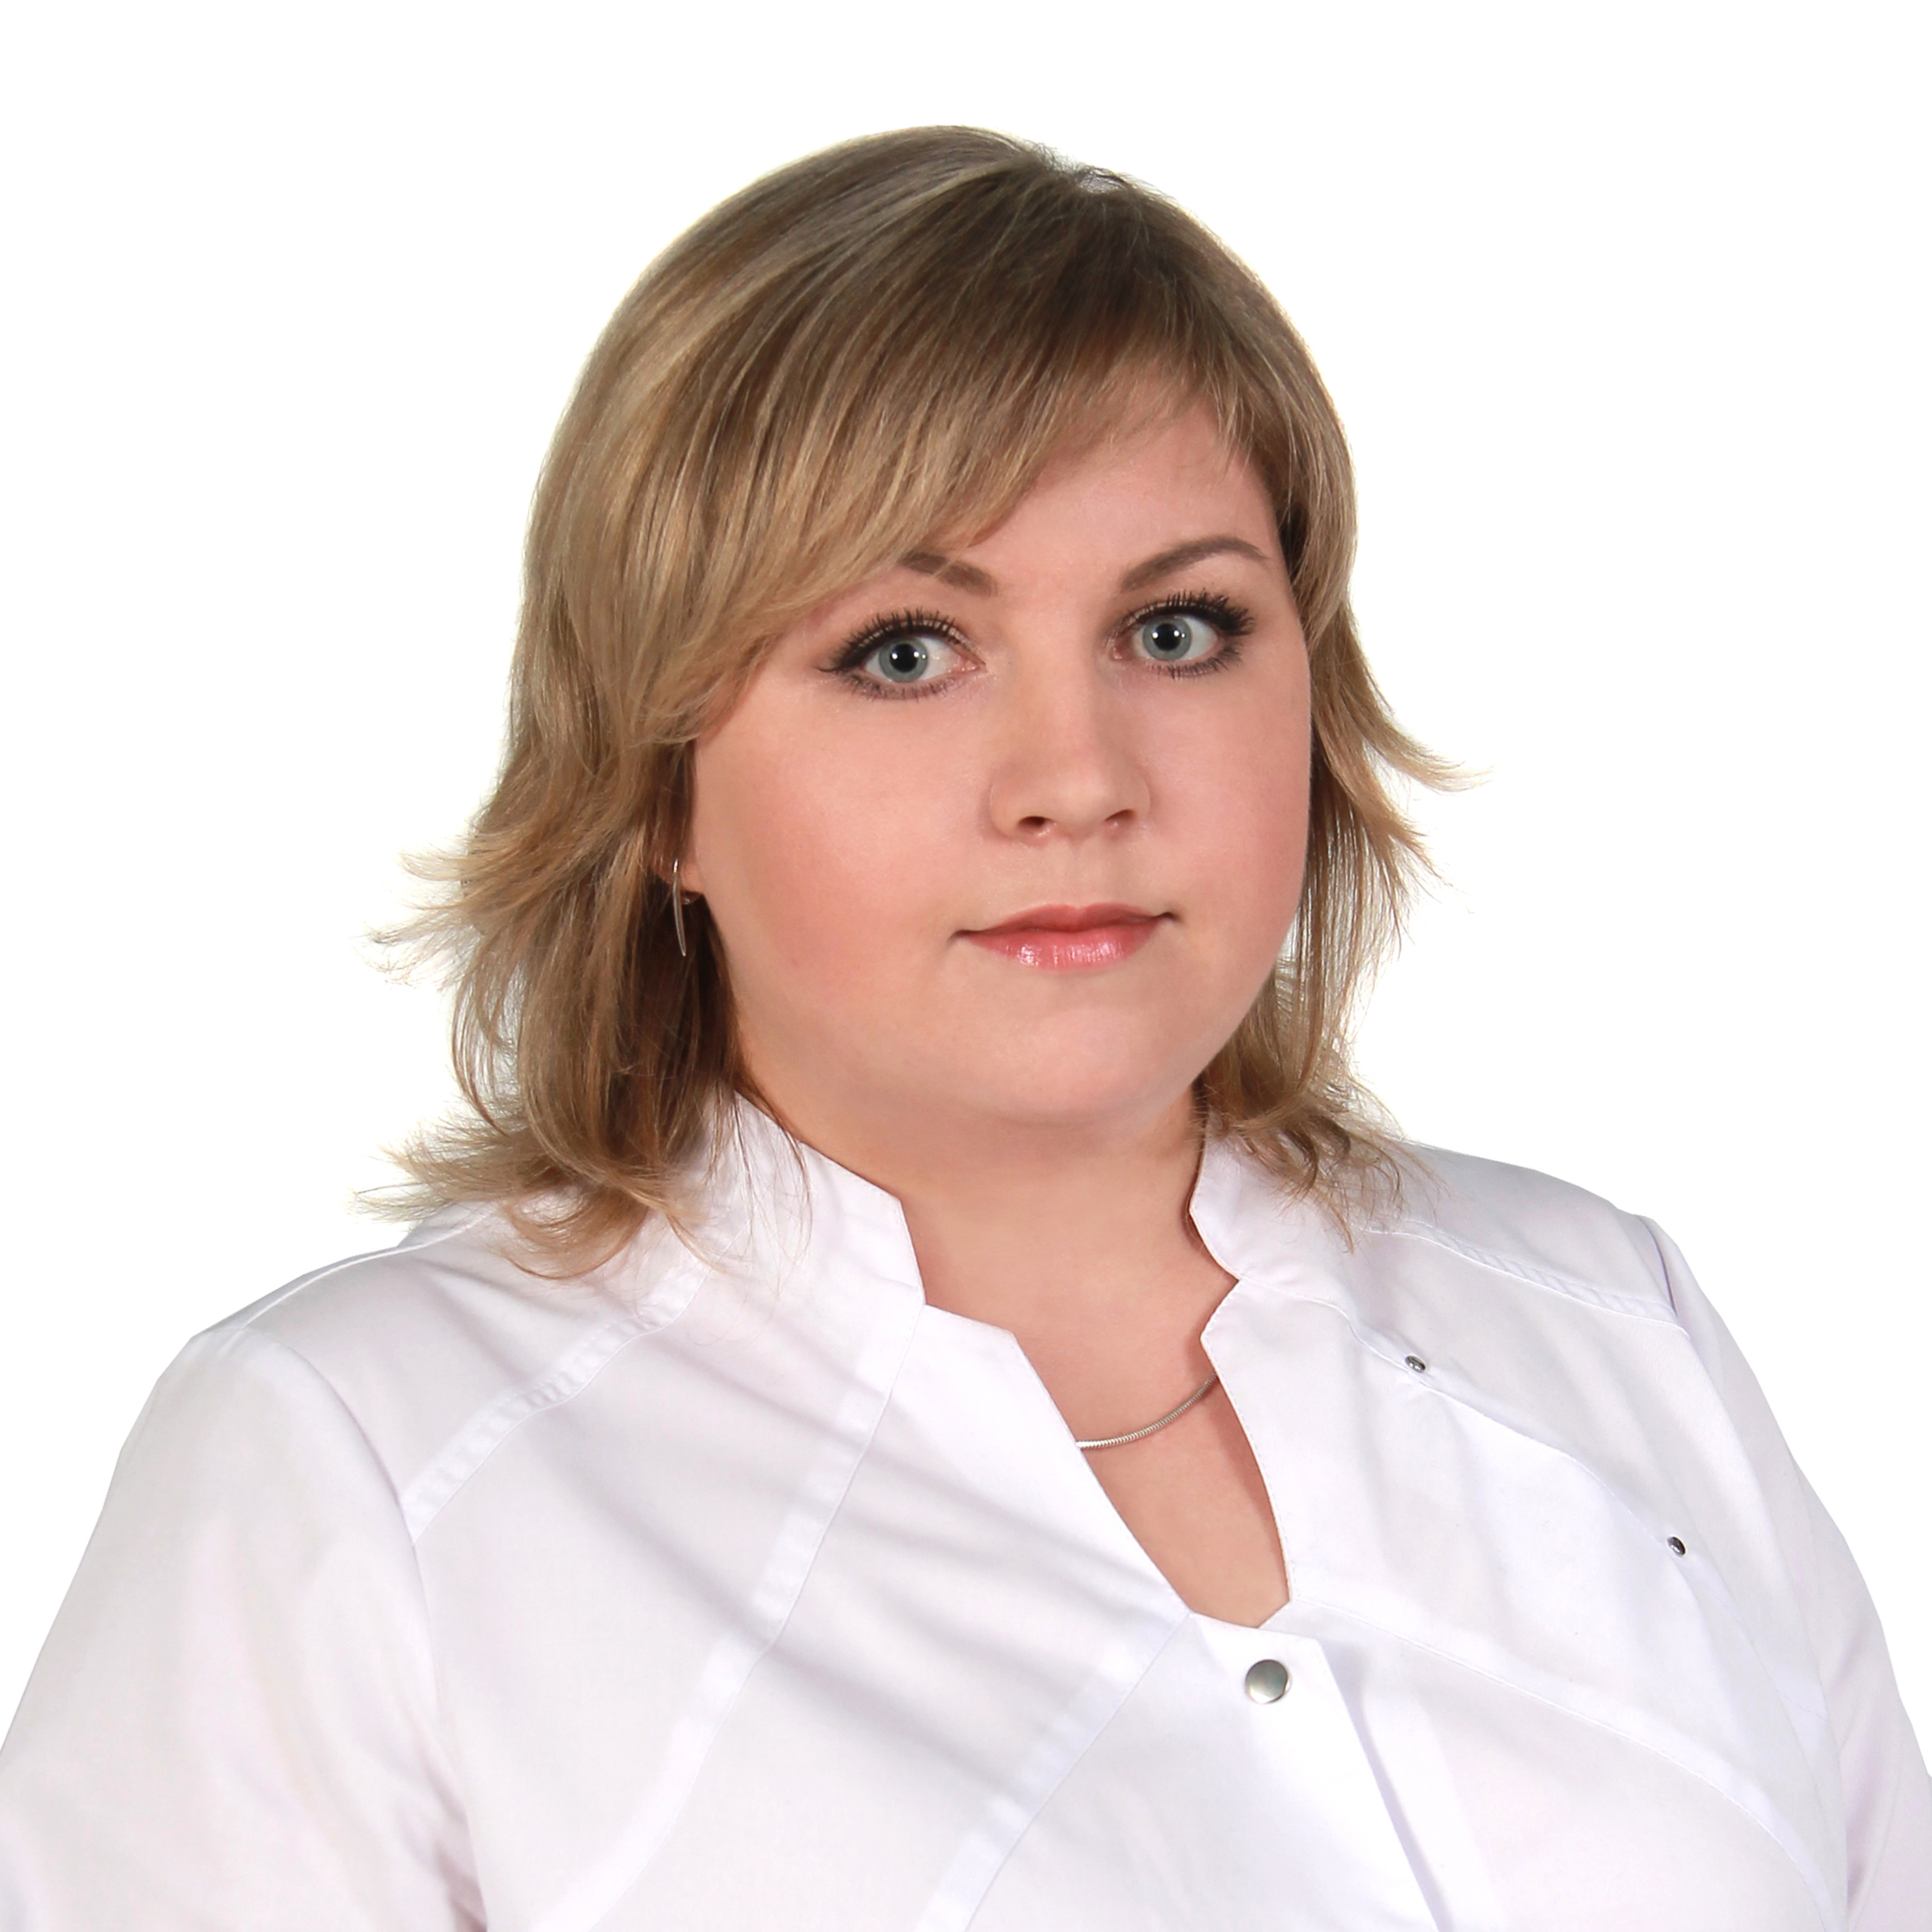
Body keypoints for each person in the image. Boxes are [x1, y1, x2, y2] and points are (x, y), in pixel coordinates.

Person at [0, 126, 1925, 1931]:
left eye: (1175, 629)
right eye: (904, 653)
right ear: (657, 790)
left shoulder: (1609, 1325)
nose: (1075, 777)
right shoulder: (362, 1467)